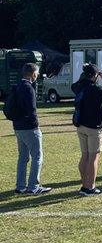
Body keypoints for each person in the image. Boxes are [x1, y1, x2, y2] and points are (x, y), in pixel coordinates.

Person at [71, 63, 102, 196]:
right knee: (93, 158)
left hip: (81, 125)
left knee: (85, 156)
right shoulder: (96, 88)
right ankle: (89, 187)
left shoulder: (79, 87)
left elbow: (74, 85)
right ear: (95, 76)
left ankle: (84, 184)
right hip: (94, 127)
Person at [12, 63, 52, 195]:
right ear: (33, 73)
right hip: (29, 128)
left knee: (23, 157)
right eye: (37, 73)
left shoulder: (18, 86)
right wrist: (36, 125)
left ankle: (20, 186)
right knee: (37, 157)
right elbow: (32, 110)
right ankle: (33, 186)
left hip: (18, 127)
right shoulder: (29, 88)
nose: (38, 75)